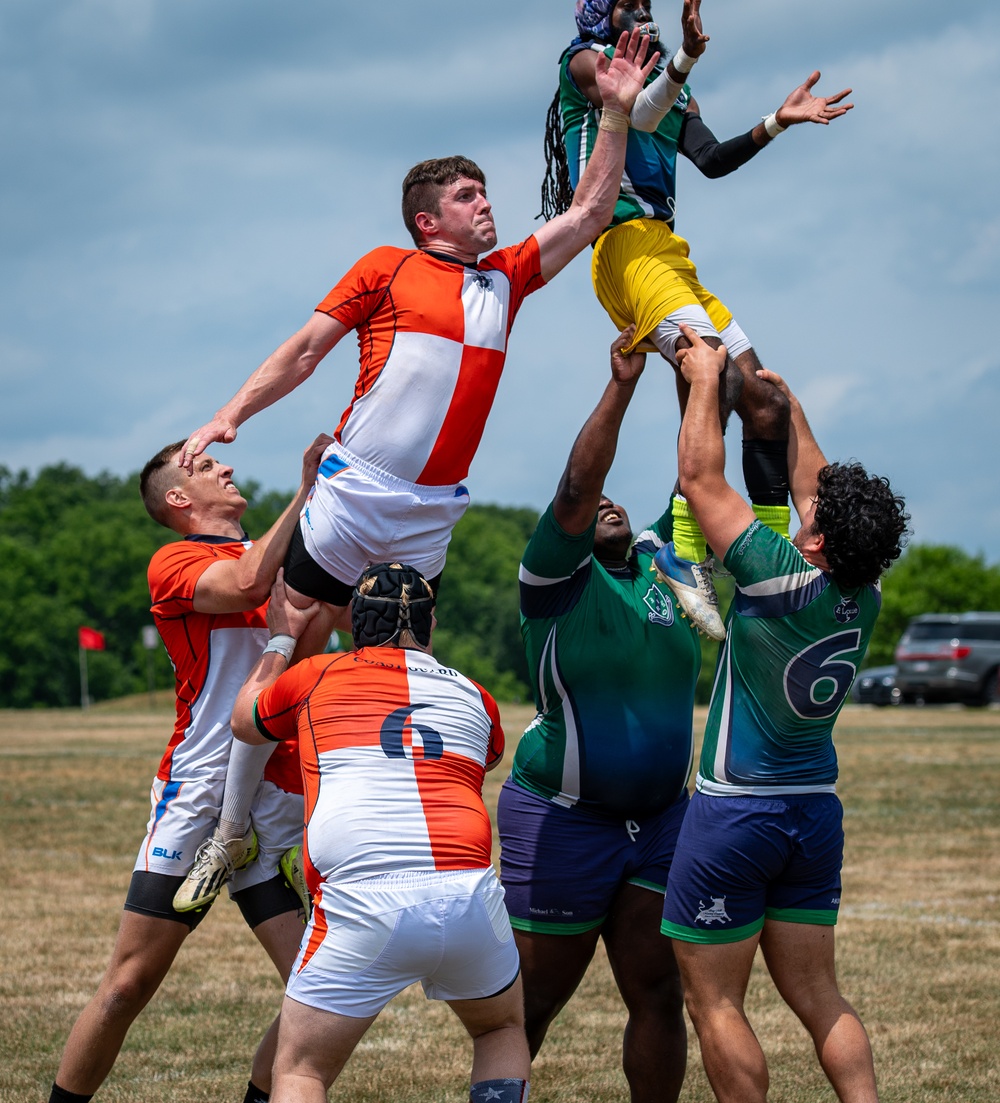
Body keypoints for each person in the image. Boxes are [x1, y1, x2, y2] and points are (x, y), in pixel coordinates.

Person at [177, 28, 660, 634]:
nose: (485, 203)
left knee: (406, 658)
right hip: (354, 490)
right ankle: (256, 734)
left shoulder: (506, 276)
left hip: (433, 512)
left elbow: (590, 211)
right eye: (466, 196)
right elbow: (304, 351)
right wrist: (231, 414)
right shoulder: (387, 265)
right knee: (295, 637)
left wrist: (615, 111)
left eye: (485, 191)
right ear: (427, 221)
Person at [541, 0, 854, 639]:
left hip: (669, 251)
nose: (641, 13)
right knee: (712, 370)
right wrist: (684, 60)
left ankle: (763, 559)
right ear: (600, 12)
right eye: (627, 4)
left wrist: (775, 121)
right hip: (622, 244)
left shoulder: (670, 81)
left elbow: (709, 159)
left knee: (763, 398)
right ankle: (685, 548)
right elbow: (635, 108)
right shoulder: (584, 62)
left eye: (647, 5)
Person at [657, 327, 909, 1103]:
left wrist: (705, 377)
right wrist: (790, 409)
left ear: (819, 539)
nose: (804, 511)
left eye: (813, 517)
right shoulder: (862, 597)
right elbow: (818, 490)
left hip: (736, 815)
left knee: (715, 1002)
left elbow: (700, 477)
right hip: (812, 815)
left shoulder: (777, 578)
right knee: (820, 996)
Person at [47, 434, 331, 1103]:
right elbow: (245, 583)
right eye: (206, 466)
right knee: (127, 983)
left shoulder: (277, 557)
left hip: (272, 794)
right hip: (199, 791)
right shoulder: (175, 560)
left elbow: (307, 643)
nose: (227, 466)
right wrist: (308, 489)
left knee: (318, 992)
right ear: (178, 499)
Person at [229, 562, 529, 1103]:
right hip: (467, 893)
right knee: (499, 1029)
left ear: (354, 623)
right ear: (431, 623)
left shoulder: (316, 672)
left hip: (363, 899)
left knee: (299, 1070)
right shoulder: (476, 695)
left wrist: (279, 638)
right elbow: (482, 758)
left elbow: (244, 721)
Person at [497, 327, 700, 1102]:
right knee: (534, 1001)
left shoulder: (666, 564)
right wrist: (622, 384)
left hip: (660, 821)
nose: (611, 503)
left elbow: (698, 471)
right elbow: (579, 489)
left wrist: (693, 370)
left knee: (657, 990)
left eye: (622, 499)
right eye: (596, 505)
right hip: (564, 818)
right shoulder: (552, 580)